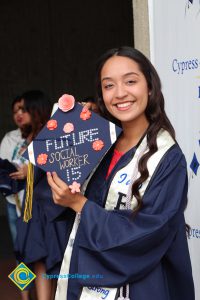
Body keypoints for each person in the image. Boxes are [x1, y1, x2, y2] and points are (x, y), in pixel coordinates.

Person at [47, 46, 195, 300]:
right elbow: (54, 200)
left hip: (142, 287)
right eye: (108, 86)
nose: (120, 93)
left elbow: (149, 233)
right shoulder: (99, 145)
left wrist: (81, 205)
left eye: (130, 81)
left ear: (149, 87)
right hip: (87, 282)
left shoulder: (167, 158)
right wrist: (70, 135)